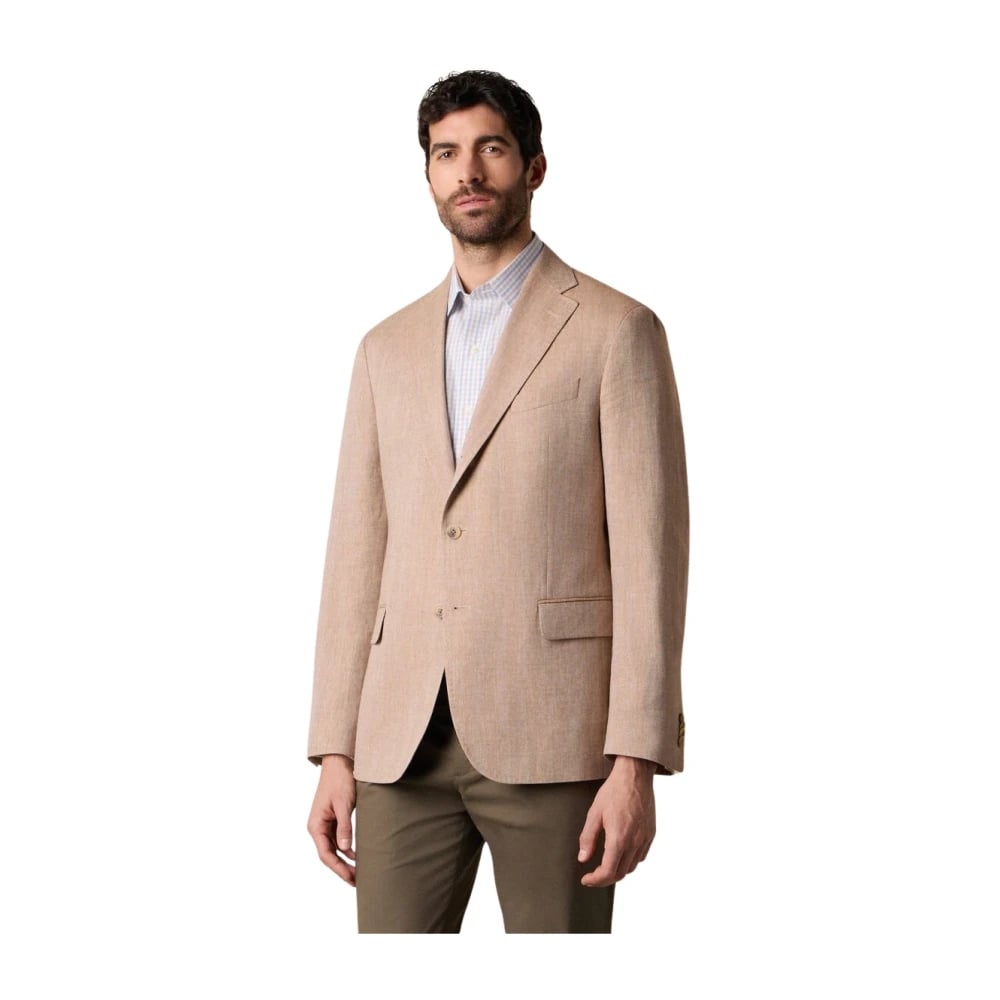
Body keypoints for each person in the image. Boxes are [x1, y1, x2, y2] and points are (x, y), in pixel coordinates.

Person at [306, 69, 689, 934]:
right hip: (399, 743)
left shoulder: (616, 329)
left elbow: (651, 559)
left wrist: (636, 758)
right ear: (428, 176)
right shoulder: (383, 348)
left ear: (534, 166)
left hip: (555, 734)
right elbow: (356, 553)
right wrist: (334, 746)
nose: (468, 172)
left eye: (490, 149)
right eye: (446, 154)